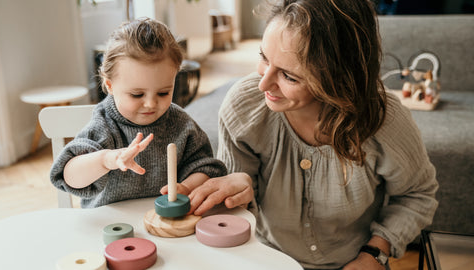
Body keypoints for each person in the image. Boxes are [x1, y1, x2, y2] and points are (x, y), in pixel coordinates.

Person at [188, 0, 438, 269]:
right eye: (263, 57)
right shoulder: (244, 108)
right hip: (268, 260)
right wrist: (232, 198)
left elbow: (418, 195)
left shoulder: (385, 120)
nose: (264, 83)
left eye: (289, 77)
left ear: (339, 78)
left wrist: (374, 255)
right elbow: (237, 219)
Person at [50, 18, 226, 208]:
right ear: (109, 85)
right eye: (137, 94)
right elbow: (69, 176)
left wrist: (186, 186)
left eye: (163, 92)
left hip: (165, 225)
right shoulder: (104, 125)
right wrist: (106, 160)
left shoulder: (181, 124)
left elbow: (205, 167)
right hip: (111, 227)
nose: (151, 103)